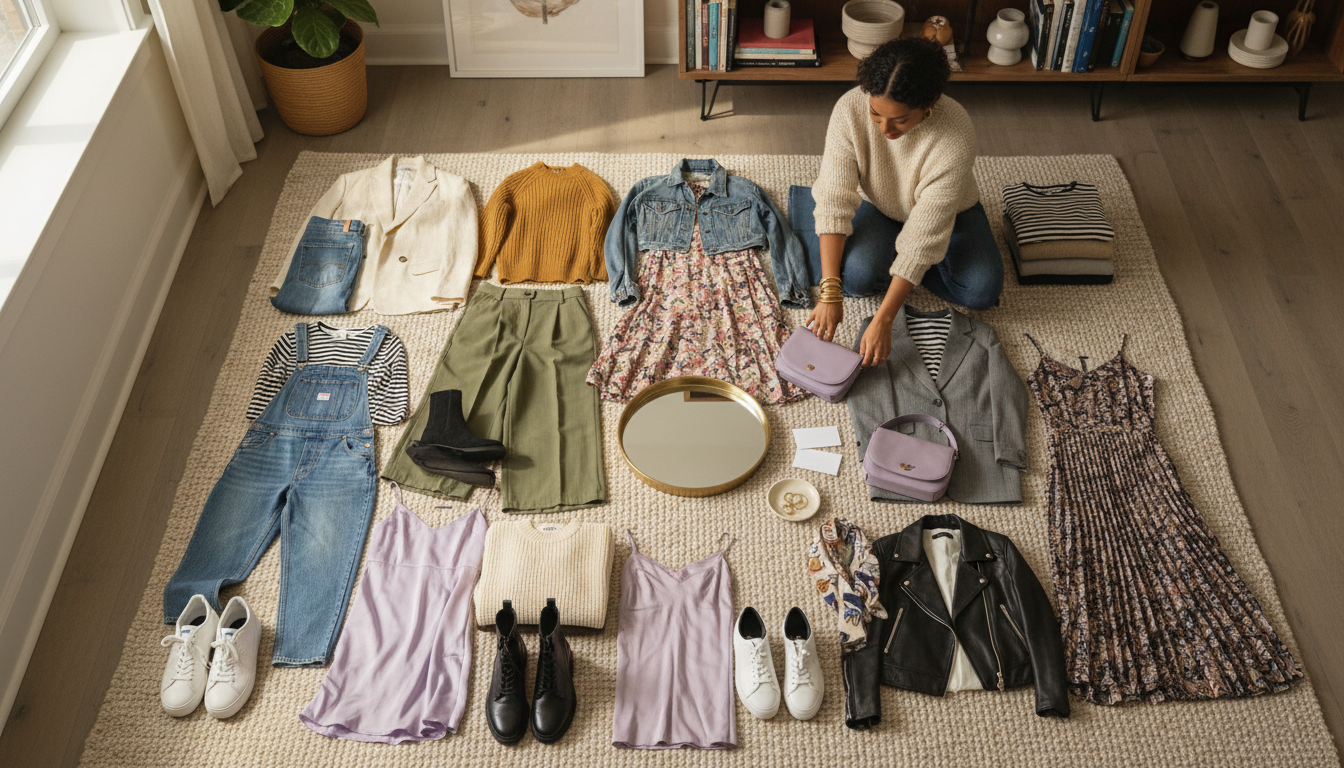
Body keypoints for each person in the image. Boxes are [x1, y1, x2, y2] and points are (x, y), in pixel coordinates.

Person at [789, 37, 1002, 367]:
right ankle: (912, 259)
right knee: (857, 279)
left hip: (951, 213)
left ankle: (923, 256)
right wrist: (830, 291)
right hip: (882, 206)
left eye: (900, 119)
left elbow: (921, 238)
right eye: (876, 113)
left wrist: (884, 319)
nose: (884, 128)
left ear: (929, 104)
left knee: (981, 292)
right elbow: (834, 198)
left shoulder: (956, 135)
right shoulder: (849, 109)